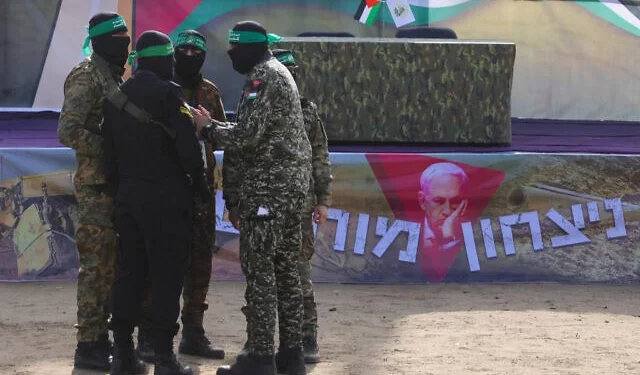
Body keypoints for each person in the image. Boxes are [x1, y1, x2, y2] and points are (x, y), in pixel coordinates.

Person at [192, 21, 311, 375]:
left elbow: (247, 134)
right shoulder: (277, 72)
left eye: (234, 50)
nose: (230, 55)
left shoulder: (263, 77)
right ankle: (292, 356)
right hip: (290, 191)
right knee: (286, 270)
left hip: (269, 191)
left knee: (261, 272)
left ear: (249, 49)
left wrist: (208, 128)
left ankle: (260, 357)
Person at [102, 30, 206, 375]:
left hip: (129, 202)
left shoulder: (115, 98)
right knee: (165, 279)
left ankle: (123, 356)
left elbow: (109, 161)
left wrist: (123, 196)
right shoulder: (170, 94)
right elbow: (189, 154)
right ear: (165, 60)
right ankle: (164, 358)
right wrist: (199, 183)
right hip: (167, 204)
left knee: (129, 276)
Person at [135, 29, 226, 362]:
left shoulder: (211, 93)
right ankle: (148, 336)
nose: (189, 56)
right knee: (157, 265)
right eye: (182, 50)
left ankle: (193, 333)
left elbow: (217, 140)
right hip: (167, 189)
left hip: (201, 191)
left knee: (200, 265)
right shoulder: (160, 89)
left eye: (195, 51)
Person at [58, 11, 130, 371]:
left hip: (114, 187)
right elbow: (68, 131)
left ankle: (103, 343)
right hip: (95, 188)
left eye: (126, 38)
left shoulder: (111, 75)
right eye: (117, 39)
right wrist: (110, 148)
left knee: (112, 269)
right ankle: (88, 346)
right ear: (100, 41)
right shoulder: (87, 77)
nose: (124, 45)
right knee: (96, 270)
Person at [271, 49, 332, 364]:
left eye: (293, 70)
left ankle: (307, 339)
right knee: (265, 277)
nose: (289, 76)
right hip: (266, 205)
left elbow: (320, 157)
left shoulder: (307, 112)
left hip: (299, 206)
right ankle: (263, 341)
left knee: (299, 274)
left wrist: (323, 200)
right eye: (284, 70)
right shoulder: (259, 108)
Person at [418, 162, 468, 251]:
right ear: (422, 201)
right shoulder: (404, 238)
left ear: (464, 205)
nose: (447, 211)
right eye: (439, 201)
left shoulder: (475, 239)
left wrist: (449, 239)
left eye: (455, 201)